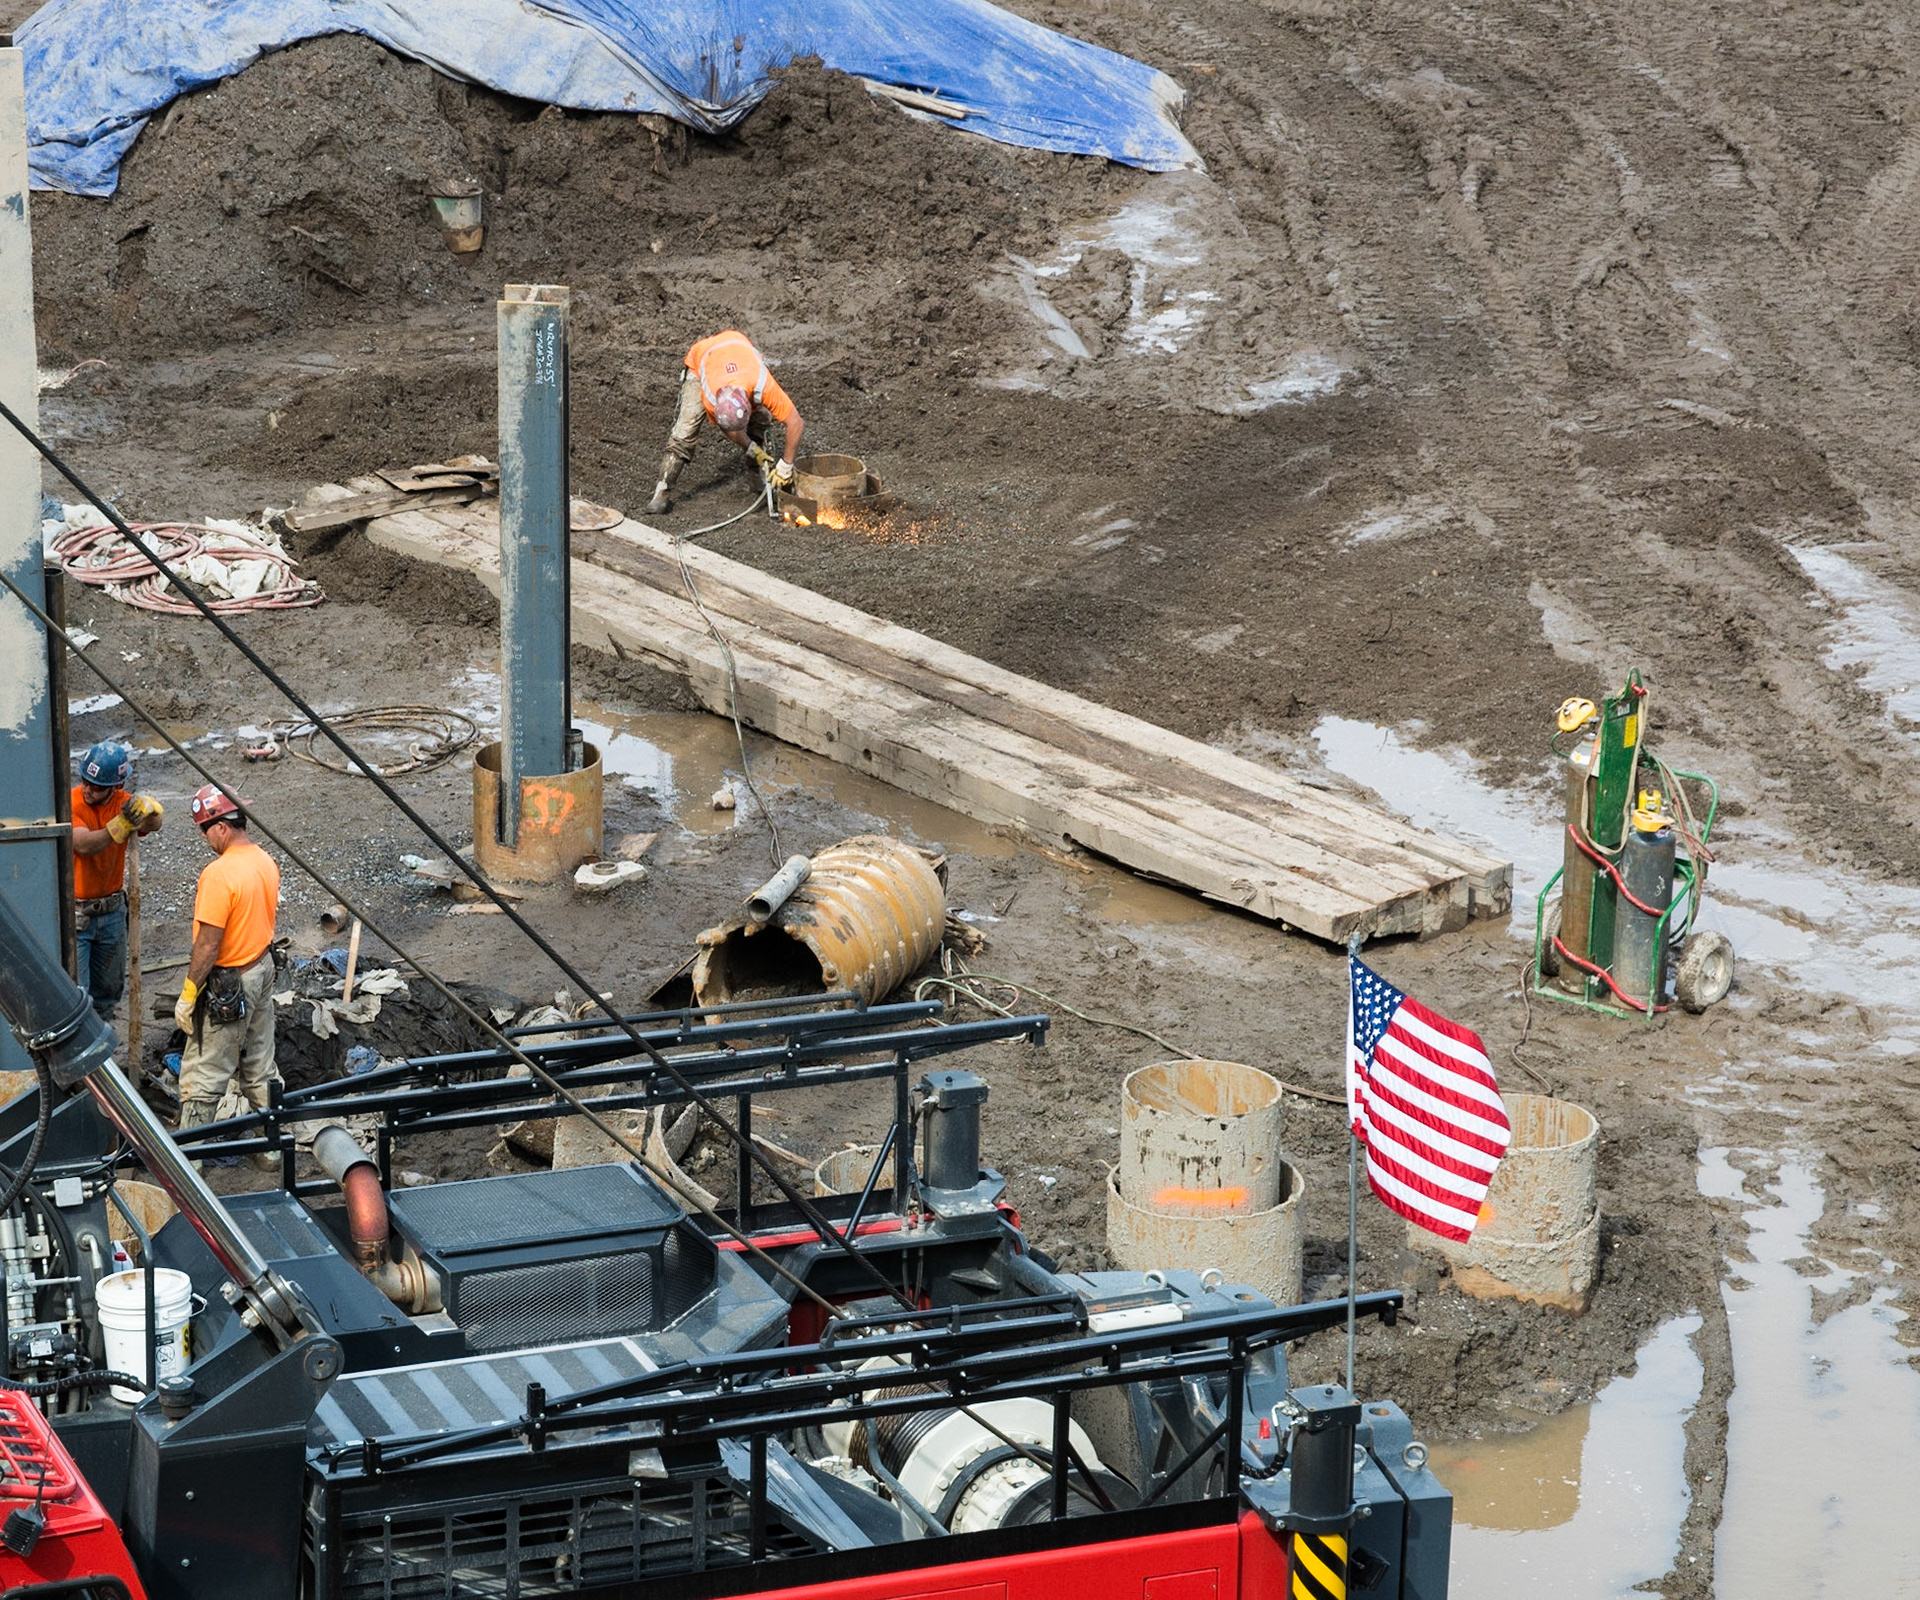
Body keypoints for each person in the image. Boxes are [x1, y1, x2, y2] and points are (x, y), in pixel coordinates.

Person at [172, 785, 282, 1166]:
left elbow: (207, 945)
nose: (205, 839)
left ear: (220, 826)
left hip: (229, 985)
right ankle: (271, 1148)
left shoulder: (219, 874)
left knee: (203, 1073)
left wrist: (189, 994)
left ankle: (190, 1160)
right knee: (260, 1065)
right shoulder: (264, 860)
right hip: (262, 969)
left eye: (205, 830)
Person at [646, 329, 805, 514]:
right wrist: (750, 448)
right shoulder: (712, 398)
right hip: (703, 359)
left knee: (761, 423)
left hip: (738, 349)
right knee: (685, 433)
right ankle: (662, 492)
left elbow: (795, 422)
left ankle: (758, 481)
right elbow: (728, 427)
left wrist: (786, 465)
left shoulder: (763, 384)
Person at [69, 742, 163, 1029]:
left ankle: (103, 1060)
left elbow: (154, 824)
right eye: (86, 782)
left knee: (107, 995)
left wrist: (150, 811)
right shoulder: (68, 802)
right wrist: (120, 825)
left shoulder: (122, 802)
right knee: (75, 997)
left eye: (97, 787)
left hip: (111, 912)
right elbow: (83, 845)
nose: (88, 790)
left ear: (115, 785)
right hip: (77, 916)